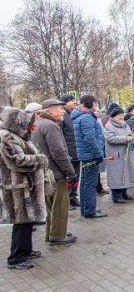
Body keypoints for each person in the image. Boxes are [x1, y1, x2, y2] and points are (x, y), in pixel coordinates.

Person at [0, 107, 48, 269]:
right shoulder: (7, 137)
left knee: (28, 220)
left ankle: (26, 251)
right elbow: (17, 160)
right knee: (21, 222)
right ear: (17, 122)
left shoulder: (17, 135)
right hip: (18, 188)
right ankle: (16, 258)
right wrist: (40, 159)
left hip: (27, 185)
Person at [31, 99, 78, 246]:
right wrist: (70, 171)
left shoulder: (38, 123)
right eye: (60, 108)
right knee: (59, 205)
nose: (63, 111)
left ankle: (52, 233)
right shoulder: (51, 126)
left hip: (45, 171)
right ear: (50, 110)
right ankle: (57, 235)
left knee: (51, 205)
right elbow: (58, 152)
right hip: (55, 173)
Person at [72, 95, 107, 219]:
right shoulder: (86, 118)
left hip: (85, 154)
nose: (96, 106)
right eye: (95, 103)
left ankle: (86, 209)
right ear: (91, 104)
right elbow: (90, 139)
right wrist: (98, 155)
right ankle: (90, 210)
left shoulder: (79, 116)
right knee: (90, 183)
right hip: (90, 155)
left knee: (85, 182)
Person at [104, 107, 134, 203]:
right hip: (116, 155)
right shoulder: (109, 125)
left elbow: (131, 134)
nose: (122, 117)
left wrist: (133, 136)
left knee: (126, 174)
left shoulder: (125, 124)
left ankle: (124, 193)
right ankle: (116, 196)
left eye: (122, 115)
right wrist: (125, 138)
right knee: (117, 175)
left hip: (126, 154)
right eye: (120, 115)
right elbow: (110, 139)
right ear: (114, 116)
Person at [59, 94, 80, 209]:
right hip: (68, 152)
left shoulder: (73, 115)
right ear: (65, 103)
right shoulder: (62, 116)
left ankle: (73, 197)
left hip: (76, 151)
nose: (73, 103)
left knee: (76, 176)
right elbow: (60, 135)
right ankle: (66, 200)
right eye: (71, 101)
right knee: (69, 177)